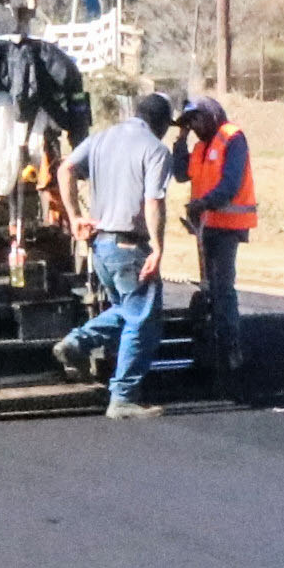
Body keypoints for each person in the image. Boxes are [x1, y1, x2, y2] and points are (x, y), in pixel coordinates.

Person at [55, 93, 175, 419]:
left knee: (128, 310)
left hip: (101, 247)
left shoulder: (101, 139)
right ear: (162, 123)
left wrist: (75, 215)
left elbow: (65, 168)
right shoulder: (155, 149)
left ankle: (77, 342)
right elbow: (153, 201)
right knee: (143, 320)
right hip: (129, 246)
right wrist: (159, 247)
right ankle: (123, 398)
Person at [170, 95, 255, 372]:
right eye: (190, 123)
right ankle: (212, 345)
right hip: (205, 225)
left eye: (196, 120)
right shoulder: (200, 146)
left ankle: (230, 348)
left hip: (227, 226)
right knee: (210, 288)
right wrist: (180, 139)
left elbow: (230, 185)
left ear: (211, 115)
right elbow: (181, 174)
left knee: (222, 288)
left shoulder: (233, 138)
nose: (194, 126)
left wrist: (203, 203)